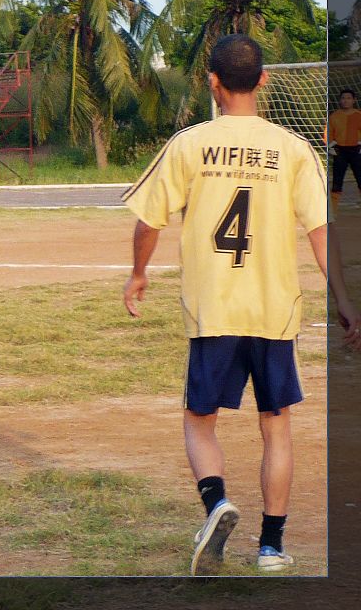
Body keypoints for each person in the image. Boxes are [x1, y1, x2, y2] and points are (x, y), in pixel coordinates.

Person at [121, 34, 361, 576]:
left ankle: (217, 503)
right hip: (274, 310)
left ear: (212, 82)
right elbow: (321, 231)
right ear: (264, 79)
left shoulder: (189, 143)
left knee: (199, 420)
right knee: (276, 427)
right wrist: (345, 300)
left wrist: (138, 274)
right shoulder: (294, 149)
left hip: (214, 309)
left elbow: (148, 221)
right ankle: (271, 548)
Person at [328, 88, 361, 214]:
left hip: (357, 151)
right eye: (343, 98)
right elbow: (329, 134)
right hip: (340, 151)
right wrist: (331, 147)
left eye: (348, 98)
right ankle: (332, 213)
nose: (345, 101)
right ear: (340, 100)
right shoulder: (334, 116)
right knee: (337, 182)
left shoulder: (359, 115)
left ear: (354, 100)